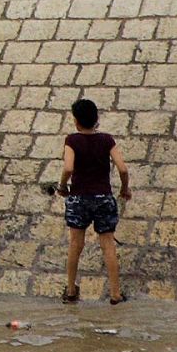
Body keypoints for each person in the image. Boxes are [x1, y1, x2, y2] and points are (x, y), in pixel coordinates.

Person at [57, 97, 131, 305]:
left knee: (75, 244)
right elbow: (123, 169)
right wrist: (125, 189)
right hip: (103, 198)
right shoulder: (107, 140)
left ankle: (71, 290)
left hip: (79, 198)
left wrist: (63, 186)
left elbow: (69, 167)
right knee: (108, 245)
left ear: (76, 121)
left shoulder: (72, 140)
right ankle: (115, 294)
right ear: (96, 118)